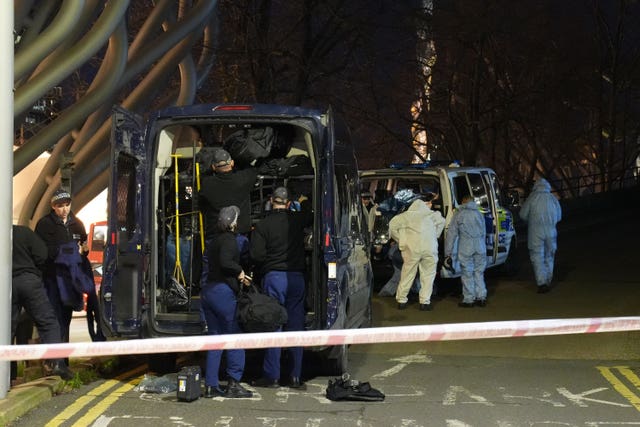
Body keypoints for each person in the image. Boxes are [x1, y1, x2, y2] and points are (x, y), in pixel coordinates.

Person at [250, 187, 311, 390]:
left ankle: (272, 376)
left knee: (273, 325)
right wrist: (302, 198)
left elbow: (256, 256)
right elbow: (310, 211)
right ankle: (294, 376)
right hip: (295, 277)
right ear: (287, 203)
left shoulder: (263, 225)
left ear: (270, 200)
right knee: (296, 327)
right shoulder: (297, 219)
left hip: (274, 277)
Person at [35, 189, 98, 351]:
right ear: (53, 206)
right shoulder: (44, 224)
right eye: (60, 206)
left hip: (71, 280)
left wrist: (84, 250)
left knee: (66, 318)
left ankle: (62, 360)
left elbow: (83, 249)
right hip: (52, 279)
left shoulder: (77, 224)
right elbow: (42, 252)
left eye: (67, 205)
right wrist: (68, 250)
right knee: (54, 319)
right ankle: (54, 360)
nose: (64, 210)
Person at [200, 205, 253, 399]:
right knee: (235, 336)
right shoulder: (230, 240)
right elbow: (226, 262)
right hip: (222, 293)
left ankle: (211, 385)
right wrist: (240, 273)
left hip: (208, 292)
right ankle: (234, 383)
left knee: (215, 338)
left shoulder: (212, 241)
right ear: (233, 223)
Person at [12, 225, 73, 380]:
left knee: (6, 329)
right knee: (48, 322)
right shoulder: (23, 232)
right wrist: (36, 271)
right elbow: (42, 254)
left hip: (6, 284)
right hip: (29, 281)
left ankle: (8, 374)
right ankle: (57, 363)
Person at [199, 148, 257, 282]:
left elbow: (201, 204)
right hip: (239, 235)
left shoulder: (208, 184)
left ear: (214, 166)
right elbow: (253, 169)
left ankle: (209, 295)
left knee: (210, 271)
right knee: (240, 270)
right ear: (232, 163)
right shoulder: (243, 179)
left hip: (215, 236)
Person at [390, 192, 445, 311]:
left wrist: (401, 239)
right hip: (429, 248)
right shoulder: (432, 215)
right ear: (426, 204)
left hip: (412, 249)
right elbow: (442, 222)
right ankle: (425, 302)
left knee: (407, 273)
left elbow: (392, 226)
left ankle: (401, 300)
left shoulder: (405, 216)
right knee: (428, 275)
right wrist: (434, 235)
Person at [518, 178, 562, 294]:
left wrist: (531, 220)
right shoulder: (553, 199)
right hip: (551, 232)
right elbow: (559, 216)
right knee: (549, 256)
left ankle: (542, 283)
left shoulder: (532, 198)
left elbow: (522, 214)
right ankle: (547, 279)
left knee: (537, 257)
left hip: (535, 232)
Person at [444, 194, 488, 307]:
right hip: (480, 246)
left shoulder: (459, 214)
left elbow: (451, 234)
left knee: (467, 272)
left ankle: (469, 299)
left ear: (463, 201)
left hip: (466, 246)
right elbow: (484, 232)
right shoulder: (479, 213)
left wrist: (447, 253)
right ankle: (481, 297)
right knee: (479, 272)